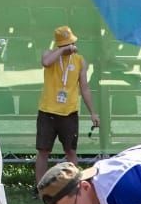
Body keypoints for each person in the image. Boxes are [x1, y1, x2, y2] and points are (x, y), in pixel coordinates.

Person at [34, 25, 100, 186]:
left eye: (71, 43)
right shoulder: (49, 54)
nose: (71, 46)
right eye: (67, 44)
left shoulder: (79, 60)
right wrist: (61, 51)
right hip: (47, 111)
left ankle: (75, 185)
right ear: (59, 44)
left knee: (70, 151)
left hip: (69, 112)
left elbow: (84, 88)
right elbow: (46, 62)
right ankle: (39, 187)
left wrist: (93, 112)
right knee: (43, 151)